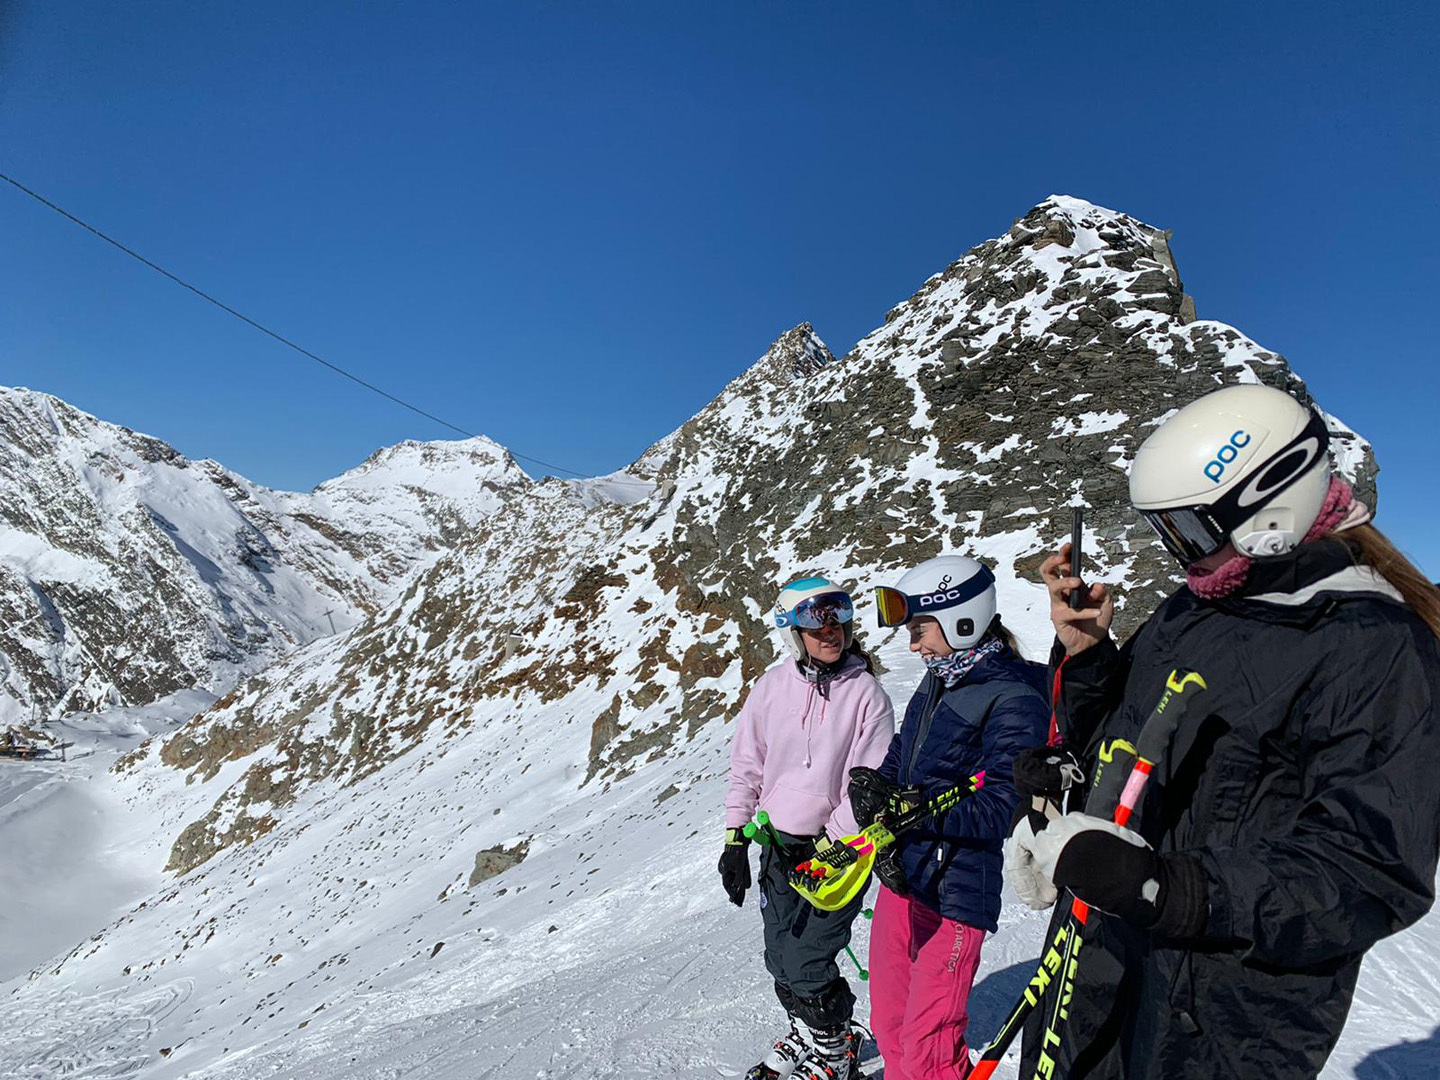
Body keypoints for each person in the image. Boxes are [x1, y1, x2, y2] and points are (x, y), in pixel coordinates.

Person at [1005, 383, 1440, 1078]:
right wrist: (1087, 664)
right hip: (1105, 961)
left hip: (1218, 1015)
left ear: (1272, 507)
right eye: (1167, 532)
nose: (1183, 555)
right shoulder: (1195, 608)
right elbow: (1127, 746)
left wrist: (1174, 890)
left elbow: (1370, 868)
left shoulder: (1372, 643)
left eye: (1192, 529)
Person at [846, 555, 1049, 1080]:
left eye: (919, 629)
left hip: (957, 889)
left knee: (927, 1044)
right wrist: (878, 786)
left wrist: (919, 810)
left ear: (962, 619)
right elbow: (906, 750)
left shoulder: (1014, 697)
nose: (913, 645)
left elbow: (1004, 804)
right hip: (904, 875)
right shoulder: (939, 678)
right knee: (890, 1025)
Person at [721, 577, 896, 1080]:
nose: (830, 632)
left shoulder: (867, 696)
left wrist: (828, 842)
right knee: (780, 954)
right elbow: (747, 765)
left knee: (807, 960)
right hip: (779, 846)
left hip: (839, 852)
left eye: (838, 621)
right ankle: (810, 1032)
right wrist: (735, 837)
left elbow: (869, 786)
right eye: (817, 625)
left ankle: (835, 1054)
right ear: (792, 633)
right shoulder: (772, 688)